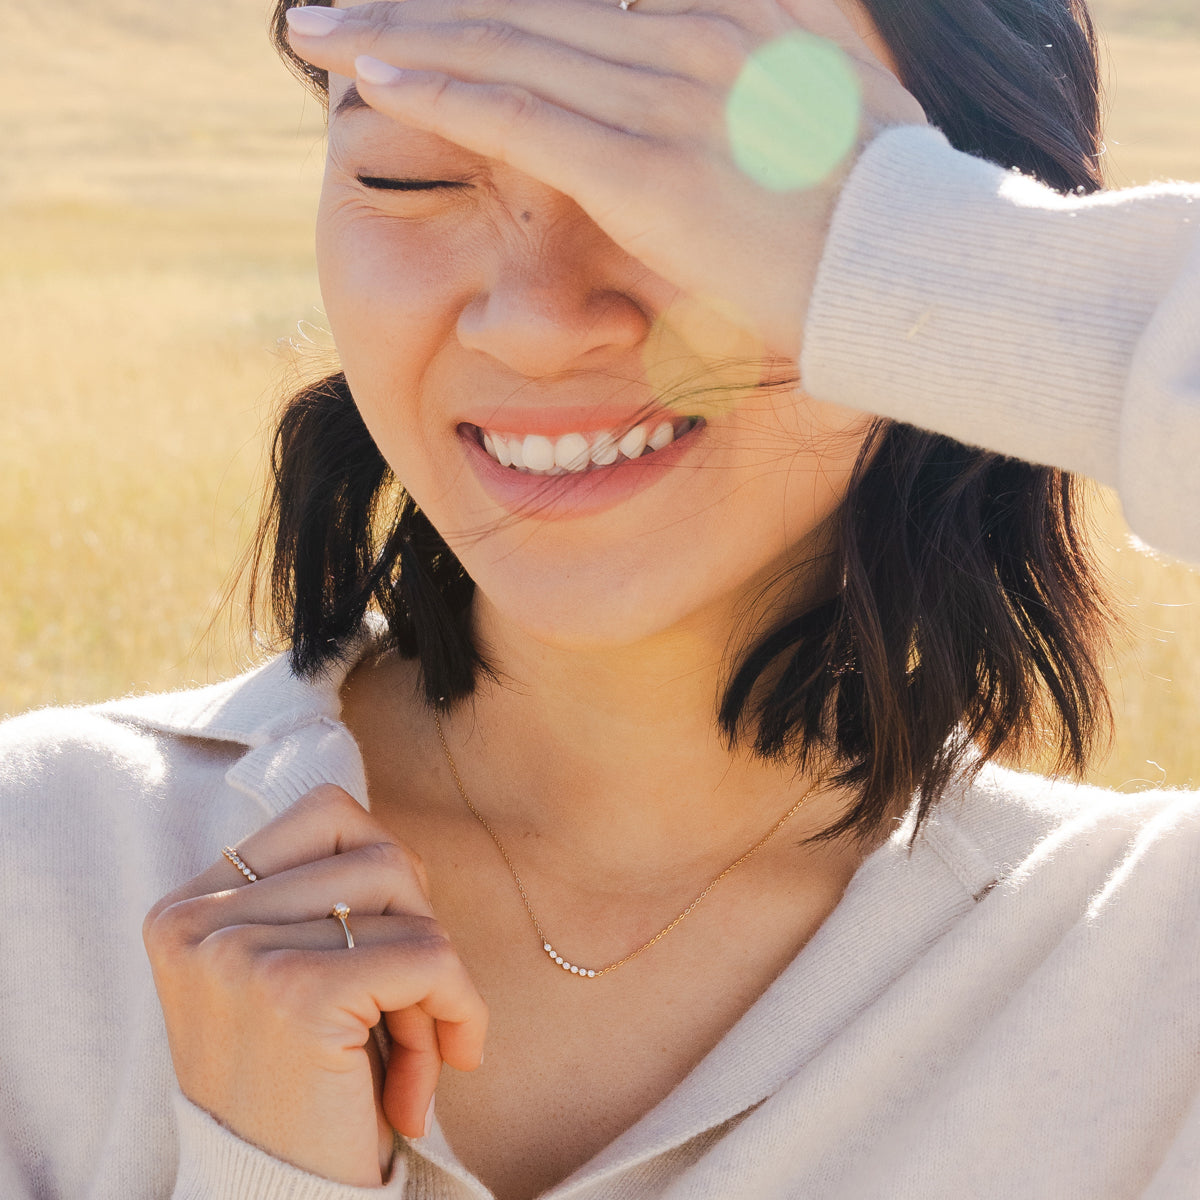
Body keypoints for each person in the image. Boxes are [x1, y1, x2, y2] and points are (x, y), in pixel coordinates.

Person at [1, 1, 1197, 1198]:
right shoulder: (46, 871)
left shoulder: (1149, 977)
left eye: (703, 159)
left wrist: (941, 266)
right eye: (408, 168)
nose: (533, 318)